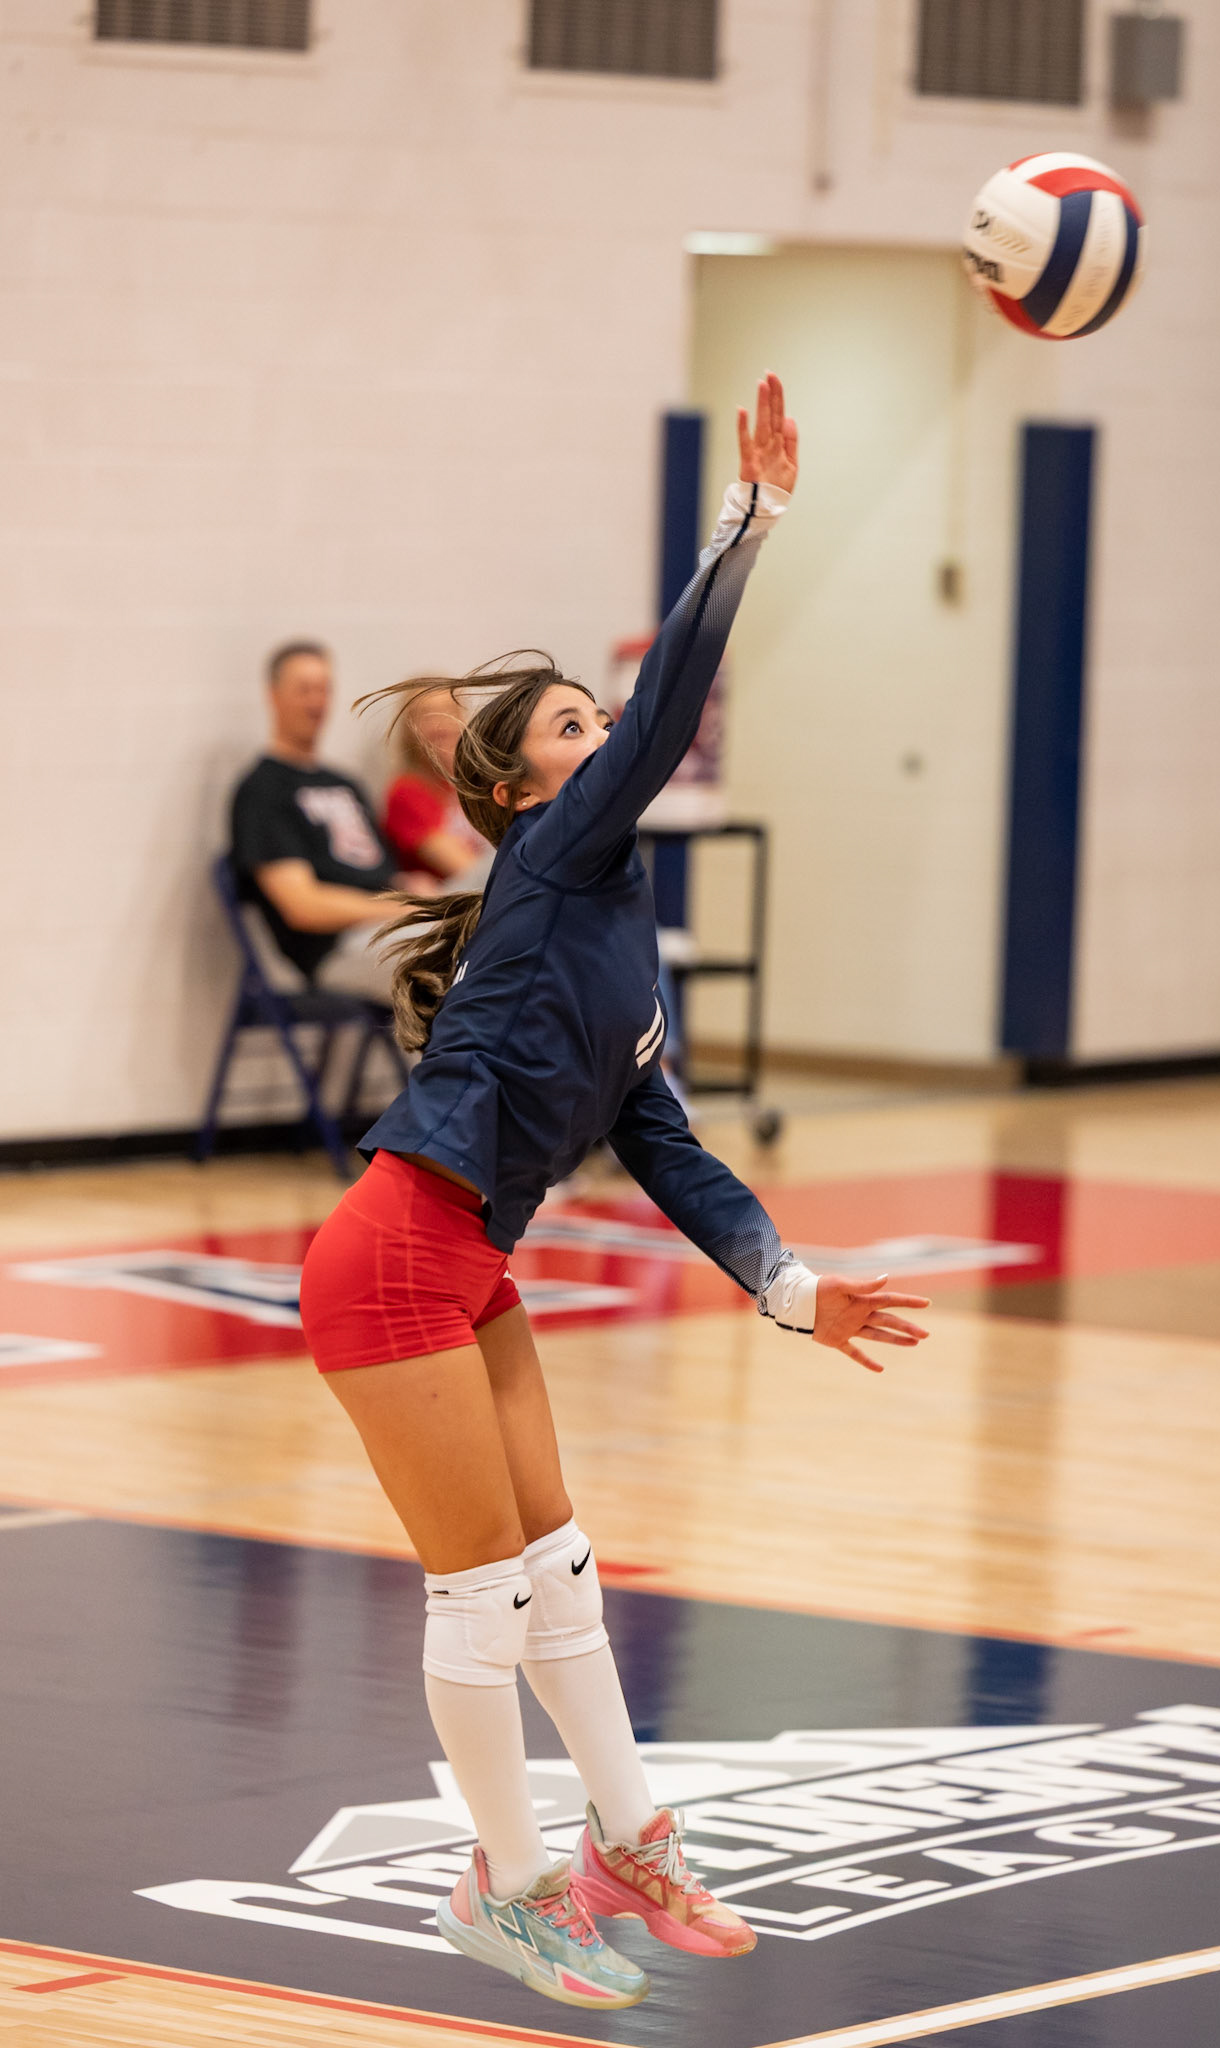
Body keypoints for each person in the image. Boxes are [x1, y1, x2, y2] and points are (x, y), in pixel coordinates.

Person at [297, 378, 930, 2012]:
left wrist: (788, 1285)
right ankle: (503, 1886)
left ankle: (624, 1841)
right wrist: (750, 523)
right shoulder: (554, 857)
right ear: (525, 793)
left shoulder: (614, 932)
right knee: (480, 1590)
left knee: (556, 1563)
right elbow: (660, 727)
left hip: (467, 1265)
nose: (605, 739)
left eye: (595, 719)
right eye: (572, 729)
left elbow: (668, 1145)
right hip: (392, 1254)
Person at [230, 641, 434, 1002]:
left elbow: (380, 873)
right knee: (460, 962)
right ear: (274, 696)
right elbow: (303, 907)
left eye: (323, 689)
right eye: (304, 690)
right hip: (340, 948)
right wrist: (400, 909)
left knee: (496, 880)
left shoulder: (344, 784)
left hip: (393, 924)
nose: (316, 701)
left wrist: (416, 891)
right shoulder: (262, 791)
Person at [382, 682, 493, 889]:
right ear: (410, 731)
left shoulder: (478, 783)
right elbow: (466, 870)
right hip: (458, 898)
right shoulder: (406, 792)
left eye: (450, 711)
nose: (443, 724)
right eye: (428, 716)